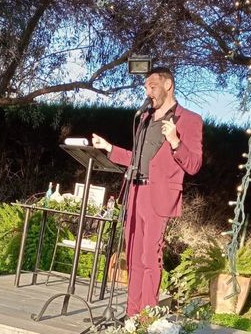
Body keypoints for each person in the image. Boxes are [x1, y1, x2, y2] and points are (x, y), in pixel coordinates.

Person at [92, 66, 203, 316]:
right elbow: (137, 158)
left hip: (159, 196)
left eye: (152, 86)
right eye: (146, 87)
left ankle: (146, 317)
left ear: (168, 85)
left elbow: (194, 164)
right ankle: (131, 316)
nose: (148, 91)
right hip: (135, 193)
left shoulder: (190, 119)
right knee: (132, 258)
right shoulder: (144, 118)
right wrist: (109, 148)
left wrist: (175, 141)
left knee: (150, 258)